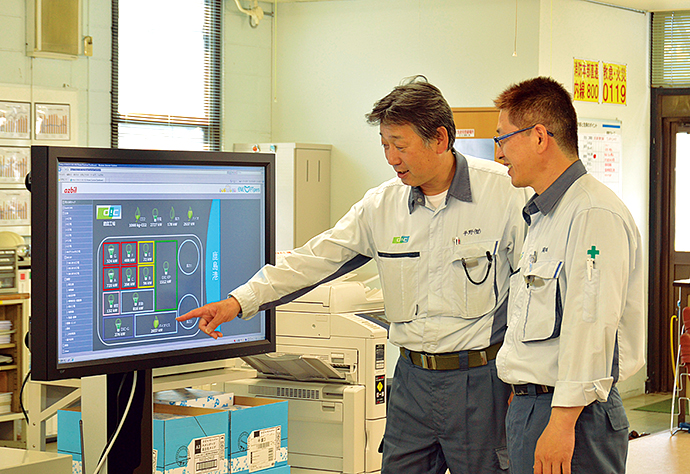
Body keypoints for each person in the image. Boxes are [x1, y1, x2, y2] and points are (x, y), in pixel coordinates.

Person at [178, 76, 528, 473]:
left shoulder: (505, 194)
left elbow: (533, 293)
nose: (391, 158)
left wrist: (525, 382)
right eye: (384, 145)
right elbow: (314, 258)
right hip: (411, 382)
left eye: (400, 145)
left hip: (481, 383)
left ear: (440, 139)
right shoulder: (381, 206)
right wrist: (240, 300)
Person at [492, 76, 645, 474]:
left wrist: (560, 421)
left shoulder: (593, 213)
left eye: (504, 139)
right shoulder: (546, 215)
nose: (499, 154)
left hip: (573, 416)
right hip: (537, 406)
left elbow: (591, 322)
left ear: (539, 136)